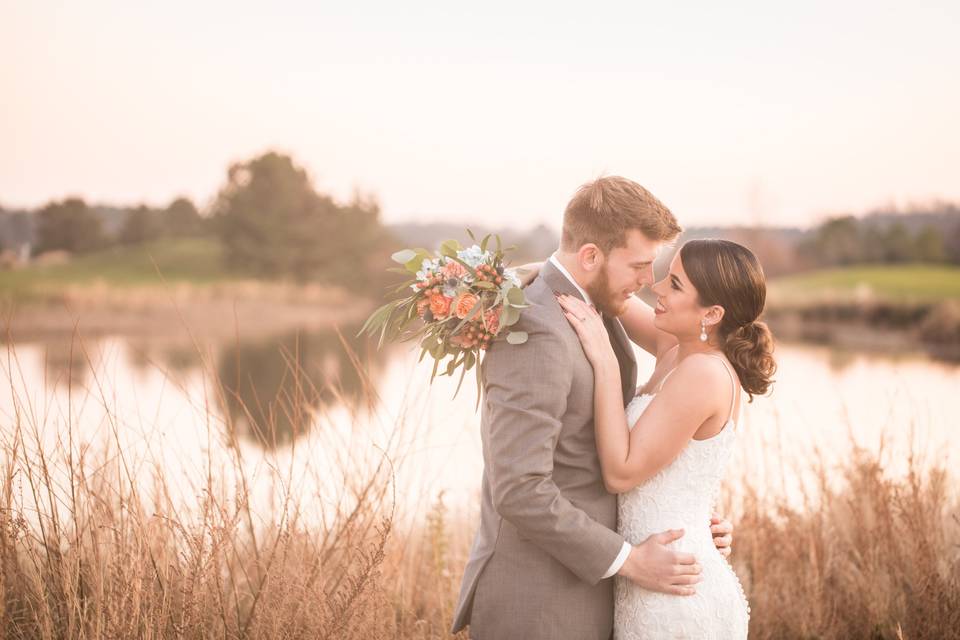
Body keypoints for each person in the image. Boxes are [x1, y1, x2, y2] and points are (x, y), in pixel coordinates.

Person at [451, 177, 737, 640]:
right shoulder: (536, 329)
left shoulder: (597, 304)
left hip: (596, 589)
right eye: (641, 266)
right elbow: (519, 488)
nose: (650, 282)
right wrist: (629, 560)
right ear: (590, 257)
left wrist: (690, 518)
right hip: (542, 600)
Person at [557, 238, 775, 638]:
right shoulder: (677, 349)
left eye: (674, 284)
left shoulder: (704, 373)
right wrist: (509, 278)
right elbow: (610, 294)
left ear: (711, 313)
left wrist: (604, 360)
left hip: (676, 593)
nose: (655, 288)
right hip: (653, 573)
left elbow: (621, 474)